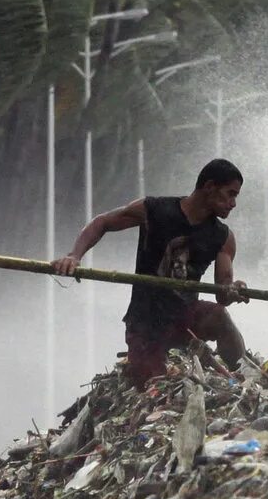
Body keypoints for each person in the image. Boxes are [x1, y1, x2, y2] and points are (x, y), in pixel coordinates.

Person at [54, 158, 249, 382]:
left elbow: (222, 293)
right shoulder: (155, 210)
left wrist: (234, 289)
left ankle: (243, 376)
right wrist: (74, 256)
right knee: (156, 382)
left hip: (185, 318)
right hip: (146, 324)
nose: (233, 203)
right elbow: (103, 222)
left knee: (219, 316)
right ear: (210, 187)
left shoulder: (222, 236)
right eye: (231, 193)